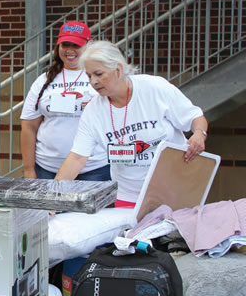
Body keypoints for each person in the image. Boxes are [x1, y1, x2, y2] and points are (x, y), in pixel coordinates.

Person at [55, 40, 208, 207]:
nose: (93, 82)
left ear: (118, 70)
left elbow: (195, 117)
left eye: (99, 74)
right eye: (89, 76)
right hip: (128, 195)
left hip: (175, 188)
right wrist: (52, 197)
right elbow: (77, 158)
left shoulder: (155, 88)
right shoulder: (93, 111)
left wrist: (199, 134)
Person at [20, 22, 110, 180]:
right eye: (65, 44)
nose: (70, 50)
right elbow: (28, 126)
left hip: (93, 168)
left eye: (76, 45)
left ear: (88, 46)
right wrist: (29, 170)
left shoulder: (99, 76)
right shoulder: (43, 80)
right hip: (46, 168)